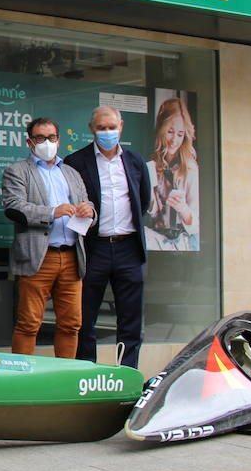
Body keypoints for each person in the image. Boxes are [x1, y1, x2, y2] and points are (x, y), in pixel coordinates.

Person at [65, 106, 151, 368]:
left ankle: (127, 372)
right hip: (94, 249)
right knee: (86, 317)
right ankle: (86, 371)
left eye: (111, 127)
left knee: (130, 319)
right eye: (101, 128)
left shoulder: (135, 162)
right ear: (92, 129)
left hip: (129, 248)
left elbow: (143, 202)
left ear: (121, 126)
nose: (107, 132)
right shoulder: (76, 162)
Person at [2, 117, 95, 358]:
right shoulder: (17, 171)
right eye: (40, 138)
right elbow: (14, 207)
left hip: (72, 257)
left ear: (59, 140)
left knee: (71, 324)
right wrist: (52, 212)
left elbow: (87, 202)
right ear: (30, 142)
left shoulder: (71, 172)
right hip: (38, 257)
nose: (47, 143)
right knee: (29, 324)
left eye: (51, 138)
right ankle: (22, 381)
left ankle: (64, 379)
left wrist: (90, 211)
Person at [145, 97, 199, 252]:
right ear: (161, 130)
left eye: (180, 134)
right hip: (157, 237)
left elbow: (196, 225)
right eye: (170, 132)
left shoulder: (190, 169)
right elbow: (154, 213)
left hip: (184, 241)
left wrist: (183, 208)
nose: (174, 140)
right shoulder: (153, 165)